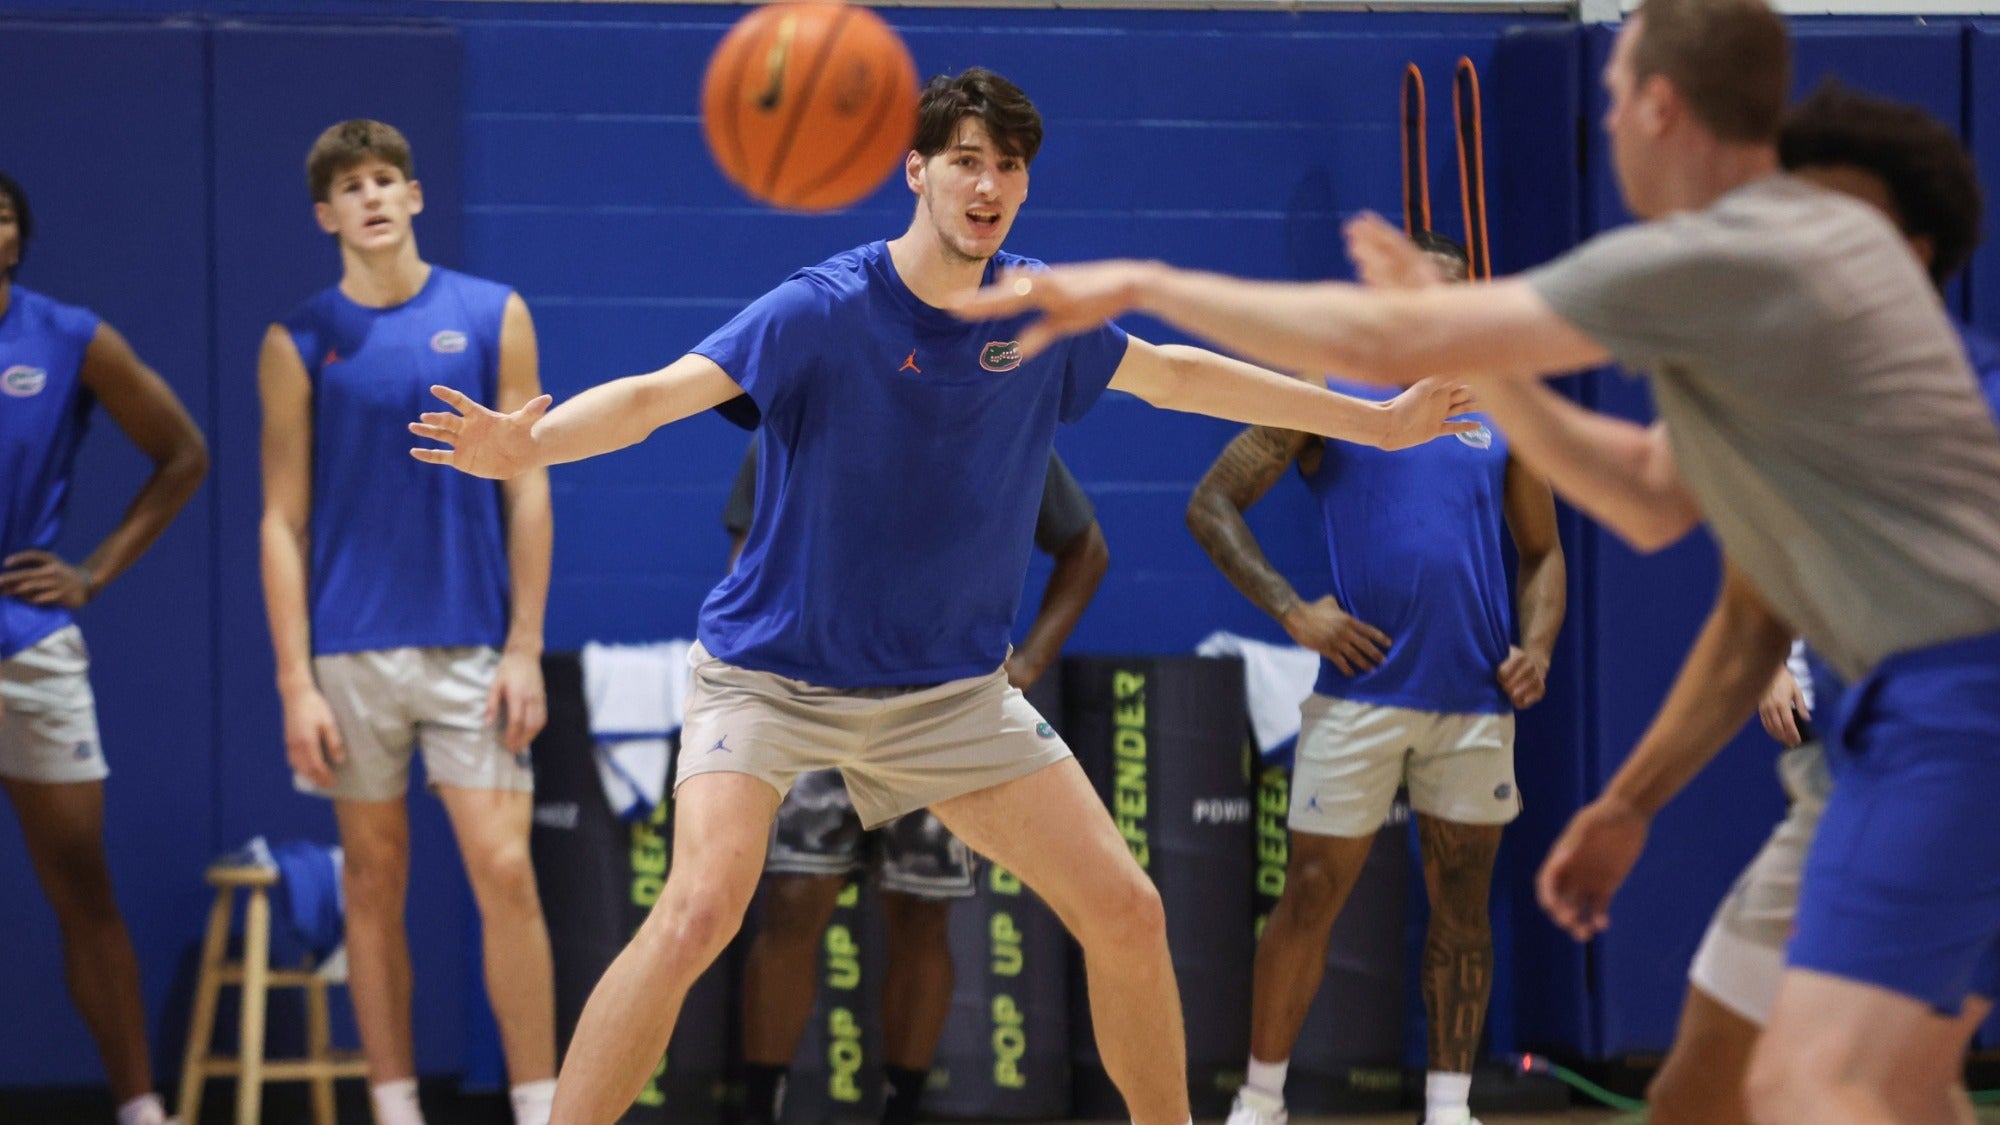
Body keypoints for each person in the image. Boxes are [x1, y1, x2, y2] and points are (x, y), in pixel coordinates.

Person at [962, 2, 2000, 1120]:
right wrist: (1630, 803)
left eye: (1611, 101)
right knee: (1706, 1084)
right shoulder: (1747, 296)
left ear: (1658, 106)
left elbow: (1364, 343)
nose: (1603, 121)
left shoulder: (1739, 254)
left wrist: (1136, 288)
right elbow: (1652, 500)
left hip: (1952, 716)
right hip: (1857, 739)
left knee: (1826, 1081)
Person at [408, 67, 1474, 1125]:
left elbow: (1179, 375)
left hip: (948, 697)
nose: (987, 184)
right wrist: (528, 444)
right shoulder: (819, 309)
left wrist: (1373, 423)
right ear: (915, 171)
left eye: (1007, 167)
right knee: (696, 912)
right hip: (771, 682)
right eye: (965, 160)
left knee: (1128, 912)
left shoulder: (1042, 312)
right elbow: (655, 398)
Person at [1645, 82, 2000, 1125]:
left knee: (1816, 1084)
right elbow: (1751, 609)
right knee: (1745, 1089)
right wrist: (1625, 805)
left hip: (1937, 780)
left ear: (1914, 250)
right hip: (1856, 775)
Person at [1190, 234, 1565, 1125]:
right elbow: (1211, 502)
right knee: (1311, 894)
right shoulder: (1327, 389)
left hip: (1475, 697)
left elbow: (1544, 553)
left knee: (1464, 903)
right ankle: (1261, 1100)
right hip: (1359, 694)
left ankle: (1448, 1107)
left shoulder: (1502, 407)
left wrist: (1540, 645)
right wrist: (1291, 608)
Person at [258, 120, 557, 1125]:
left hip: (471, 643)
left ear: (416, 196)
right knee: (372, 883)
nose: (373, 196)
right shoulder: (298, 339)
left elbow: (530, 491)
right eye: (351, 185)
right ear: (325, 214)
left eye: (387, 178)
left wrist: (524, 647)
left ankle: (539, 1103)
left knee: (504, 867)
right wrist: (294, 679)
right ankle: (393, 1108)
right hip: (347, 652)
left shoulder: (491, 313)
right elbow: (280, 518)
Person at [726, 444, 1109, 1125]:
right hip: (816, 695)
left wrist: (1032, 659)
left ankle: (901, 1108)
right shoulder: (805, 393)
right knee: (791, 899)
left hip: (940, 703)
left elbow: (1086, 547)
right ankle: (763, 1106)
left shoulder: (992, 404)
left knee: (922, 909)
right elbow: (745, 560)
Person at [0, 170, 209, 1125]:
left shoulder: (69, 335)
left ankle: (140, 1109)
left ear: (19, 235)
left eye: (0, 213)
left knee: (82, 880)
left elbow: (183, 453)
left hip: (27, 645)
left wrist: (93, 571)